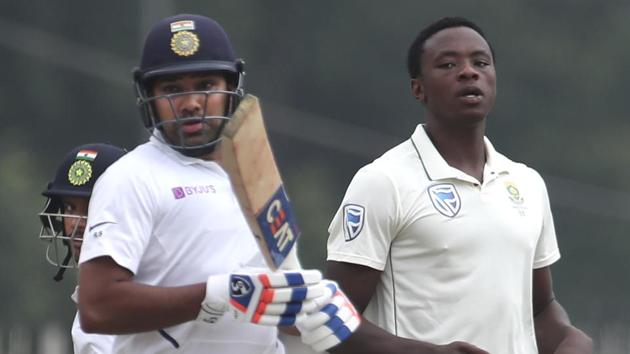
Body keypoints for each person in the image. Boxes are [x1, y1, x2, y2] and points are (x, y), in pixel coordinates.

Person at [77, 13, 359, 353]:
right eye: (172, 89)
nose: (191, 103)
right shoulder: (131, 177)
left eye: (206, 85)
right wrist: (215, 294)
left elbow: (265, 301)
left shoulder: (252, 177)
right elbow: (98, 308)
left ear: (231, 89)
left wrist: (313, 310)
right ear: (147, 96)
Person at [324, 17, 593, 354]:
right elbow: (329, 321)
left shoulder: (527, 183)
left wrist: (569, 338)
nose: (468, 72)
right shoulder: (383, 182)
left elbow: (539, 309)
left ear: (494, 79)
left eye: (480, 63)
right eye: (448, 64)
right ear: (418, 89)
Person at [39, 142, 126, 353]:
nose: (76, 224)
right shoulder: (89, 299)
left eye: (91, 207)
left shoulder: (145, 294)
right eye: (70, 207)